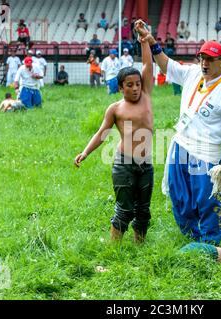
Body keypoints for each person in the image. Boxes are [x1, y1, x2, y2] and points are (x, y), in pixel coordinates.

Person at [136, 22, 221, 245]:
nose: (204, 63)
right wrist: (151, 41)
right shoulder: (193, 74)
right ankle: (191, 237)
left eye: (210, 59)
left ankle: (209, 244)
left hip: (206, 152)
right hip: (181, 146)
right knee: (180, 196)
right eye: (201, 58)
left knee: (208, 200)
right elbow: (167, 66)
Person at [74, 23, 154, 243]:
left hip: (146, 163)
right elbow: (102, 133)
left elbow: (148, 64)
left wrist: (145, 39)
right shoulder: (115, 108)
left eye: (138, 84)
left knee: (143, 211)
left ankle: (140, 247)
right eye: (130, 85)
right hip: (124, 164)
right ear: (121, 87)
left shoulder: (146, 95)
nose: (136, 88)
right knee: (125, 209)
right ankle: (114, 249)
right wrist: (85, 152)